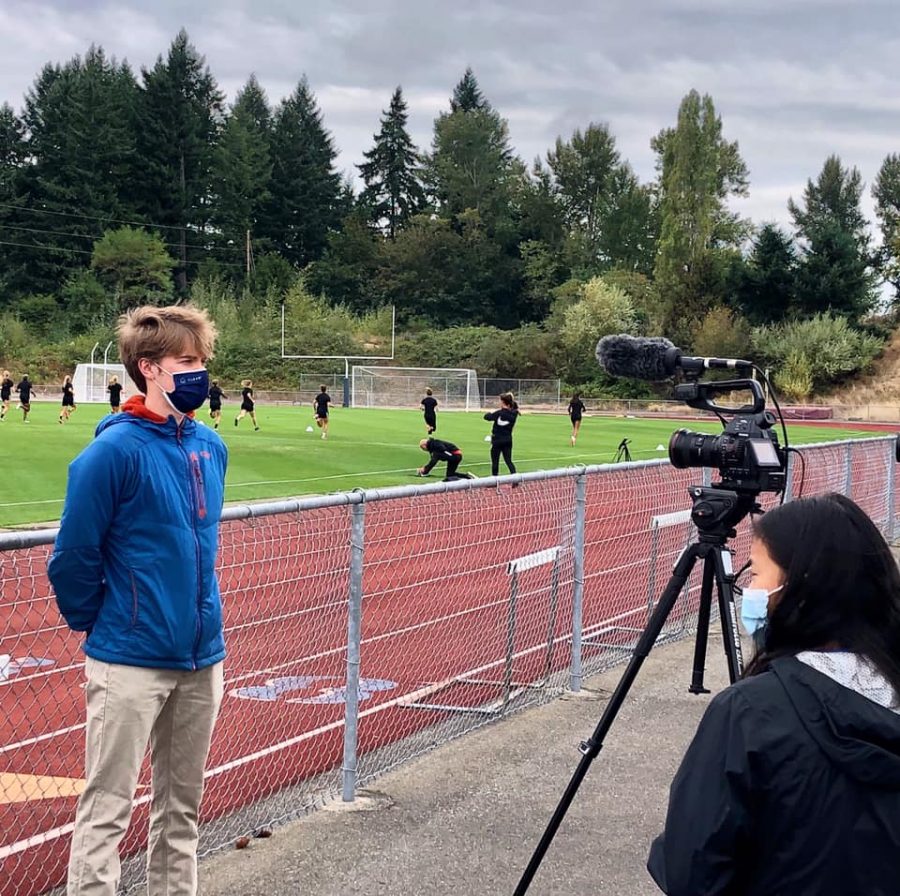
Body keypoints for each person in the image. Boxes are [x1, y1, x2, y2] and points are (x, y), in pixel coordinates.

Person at [48, 304, 227, 896]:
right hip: (129, 658)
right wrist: (108, 622)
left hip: (201, 656)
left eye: (202, 361)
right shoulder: (111, 453)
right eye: (187, 362)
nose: (200, 372)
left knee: (182, 812)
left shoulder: (209, 446)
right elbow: (74, 556)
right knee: (107, 809)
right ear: (148, 368)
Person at [647, 493, 900, 896]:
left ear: (799, 588)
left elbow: (691, 872)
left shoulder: (750, 713)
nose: (748, 588)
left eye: (757, 573)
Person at [484, 392, 520, 477]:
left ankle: (494, 480)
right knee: (508, 460)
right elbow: (514, 409)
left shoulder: (499, 413)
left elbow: (486, 417)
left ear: (503, 402)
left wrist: (491, 411)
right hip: (508, 439)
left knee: (495, 461)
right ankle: (515, 478)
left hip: (497, 440)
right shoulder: (514, 414)